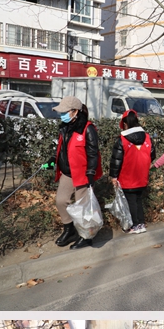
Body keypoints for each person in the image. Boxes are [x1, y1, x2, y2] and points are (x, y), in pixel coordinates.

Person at [47, 95, 102, 250]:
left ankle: (86, 237)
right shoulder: (64, 127)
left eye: (64, 111)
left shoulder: (87, 128)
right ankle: (69, 229)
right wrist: (53, 159)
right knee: (61, 201)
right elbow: (62, 149)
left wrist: (91, 173)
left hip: (83, 173)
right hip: (67, 172)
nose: (61, 115)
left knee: (82, 207)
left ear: (75, 111)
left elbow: (93, 153)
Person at [109, 110, 154, 234]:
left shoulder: (122, 140)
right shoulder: (147, 137)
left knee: (131, 201)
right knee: (138, 199)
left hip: (127, 176)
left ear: (124, 123)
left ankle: (135, 225)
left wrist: (113, 176)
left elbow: (116, 160)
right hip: (142, 175)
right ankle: (141, 223)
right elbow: (152, 154)